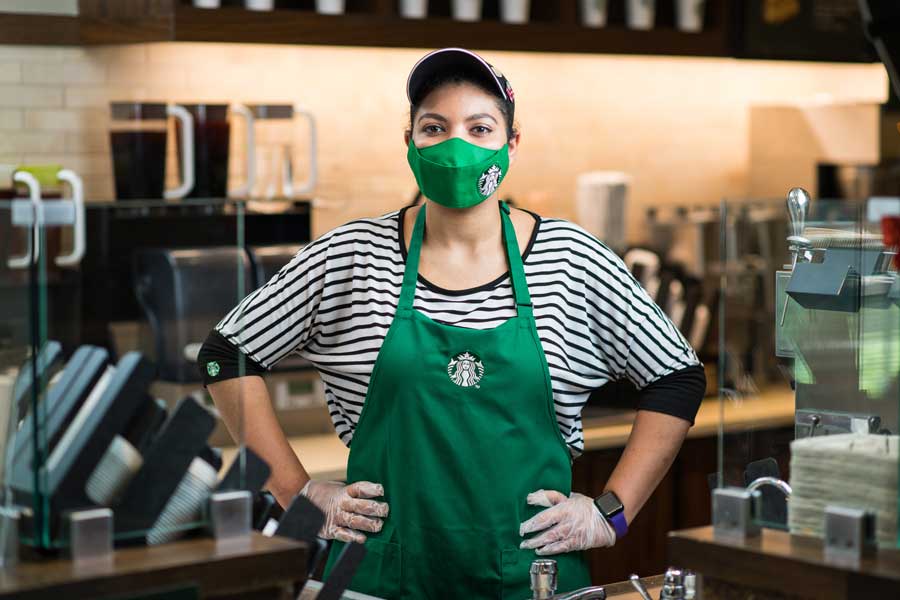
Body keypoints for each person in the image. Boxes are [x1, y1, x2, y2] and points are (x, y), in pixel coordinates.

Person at [199, 47, 706, 599]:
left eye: (480, 128)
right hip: (378, 577)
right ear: (409, 142)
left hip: (530, 579)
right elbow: (226, 354)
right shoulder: (351, 255)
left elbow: (676, 376)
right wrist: (296, 493)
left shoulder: (571, 259)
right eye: (434, 127)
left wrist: (612, 512)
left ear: (511, 144)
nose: (454, 145)